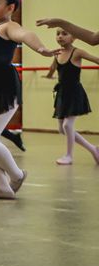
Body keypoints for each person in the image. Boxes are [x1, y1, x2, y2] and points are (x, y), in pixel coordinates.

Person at [0, 0, 59, 199]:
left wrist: (42, 49)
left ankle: (16, 175)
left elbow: (25, 34)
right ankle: (3, 187)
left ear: (10, 8)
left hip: (2, 88)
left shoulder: (7, 27)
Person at [44, 28, 99, 165]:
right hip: (62, 93)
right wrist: (49, 76)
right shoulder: (57, 53)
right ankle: (93, 149)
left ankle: (69, 156)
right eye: (58, 34)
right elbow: (53, 67)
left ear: (74, 38)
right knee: (62, 129)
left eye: (64, 33)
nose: (60, 37)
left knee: (68, 125)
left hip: (74, 92)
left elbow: (95, 59)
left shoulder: (77, 52)